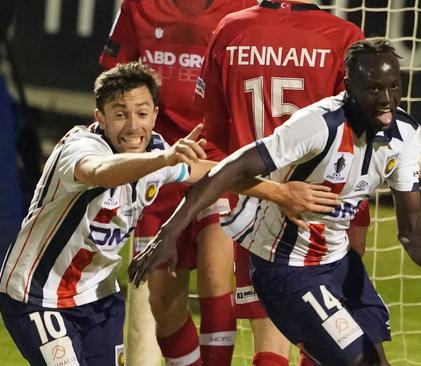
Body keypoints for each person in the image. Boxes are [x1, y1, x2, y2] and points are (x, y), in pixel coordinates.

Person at [130, 39, 421, 366]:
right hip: (285, 269)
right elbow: (224, 171)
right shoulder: (318, 125)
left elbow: (412, 226)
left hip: (338, 264)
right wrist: (169, 233)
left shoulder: (406, 134)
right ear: (348, 86)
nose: (386, 99)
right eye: (374, 89)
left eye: (393, 87)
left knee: (374, 360)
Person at [0, 62, 337, 366]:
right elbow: (101, 171)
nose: (133, 126)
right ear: (99, 117)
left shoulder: (158, 151)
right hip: (38, 296)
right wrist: (164, 161)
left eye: (142, 113)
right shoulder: (81, 148)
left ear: (155, 113)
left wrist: (278, 192)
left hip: (98, 297)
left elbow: (210, 172)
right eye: (120, 114)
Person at [194, 1, 367, 364]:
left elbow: (214, 135)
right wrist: (358, 218)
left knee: (269, 344)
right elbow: (360, 139)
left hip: (256, 207)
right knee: (327, 336)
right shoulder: (343, 37)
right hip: (324, 205)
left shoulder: (231, 29)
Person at [98, 1, 256, 364]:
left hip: (215, 159)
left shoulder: (242, 7)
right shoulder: (139, 6)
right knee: (162, 299)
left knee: (217, 279)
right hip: (159, 165)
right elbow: (116, 80)